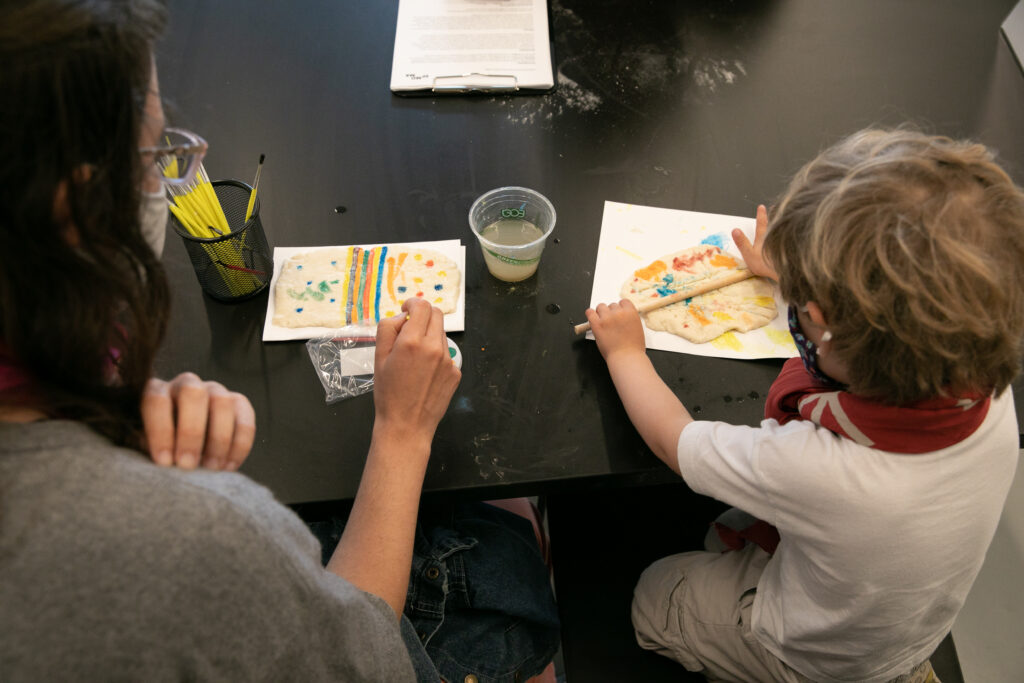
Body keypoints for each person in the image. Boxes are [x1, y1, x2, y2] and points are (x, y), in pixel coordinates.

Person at [0, 1, 557, 681]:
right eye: (156, 155)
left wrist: (111, 417)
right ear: (79, 205)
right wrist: (402, 432)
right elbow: (367, 661)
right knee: (516, 590)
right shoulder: (201, 535)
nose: (167, 173)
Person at [585, 129, 1024, 683]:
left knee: (656, 593)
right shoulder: (983, 379)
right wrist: (810, 283)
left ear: (826, 326)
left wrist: (625, 352)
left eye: (806, 308)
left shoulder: (819, 468)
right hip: (903, 622)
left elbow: (673, 442)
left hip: (812, 654)